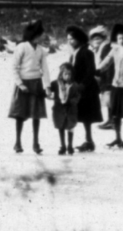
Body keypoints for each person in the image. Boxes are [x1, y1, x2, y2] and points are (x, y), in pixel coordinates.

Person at [8, 20, 51, 154]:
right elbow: (14, 67)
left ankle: (35, 143)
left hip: (36, 84)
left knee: (36, 115)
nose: (42, 37)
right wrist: (20, 84)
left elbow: (45, 69)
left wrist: (47, 86)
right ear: (34, 34)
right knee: (20, 115)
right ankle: (17, 142)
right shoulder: (22, 47)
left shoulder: (41, 50)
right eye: (40, 34)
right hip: (23, 85)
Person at [66, 26, 103, 152]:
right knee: (82, 116)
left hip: (87, 89)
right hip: (78, 87)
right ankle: (88, 141)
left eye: (72, 39)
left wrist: (82, 85)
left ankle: (89, 141)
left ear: (79, 39)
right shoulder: (74, 52)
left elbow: (90, 71)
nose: (70, 42)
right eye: (68, 39)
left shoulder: (87, 52)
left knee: (86, 116)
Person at [48, 62, 82, 155]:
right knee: (61, 126)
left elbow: (77, 96)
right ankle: (63, 145)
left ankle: (70, 145)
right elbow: (48, 90)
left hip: (70, 109)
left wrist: (73, 101)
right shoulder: (55, 84)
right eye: (65, 74)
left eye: (69, 74)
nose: (67, 76)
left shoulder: (74, 85)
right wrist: (48, 93)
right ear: (61, 74)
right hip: (59, 108)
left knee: (70, 126)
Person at [90, 24, 115, 134]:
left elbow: (108, 65)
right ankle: (110, 119)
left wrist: (107, 81)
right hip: (104, 77)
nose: (96, 41)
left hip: (108, 78)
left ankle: (112, 120)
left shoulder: (105, 48)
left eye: (98, 38)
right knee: (107, 99)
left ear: (103, 38)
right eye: (94, 39)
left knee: (109, 99)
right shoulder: (99, 49)